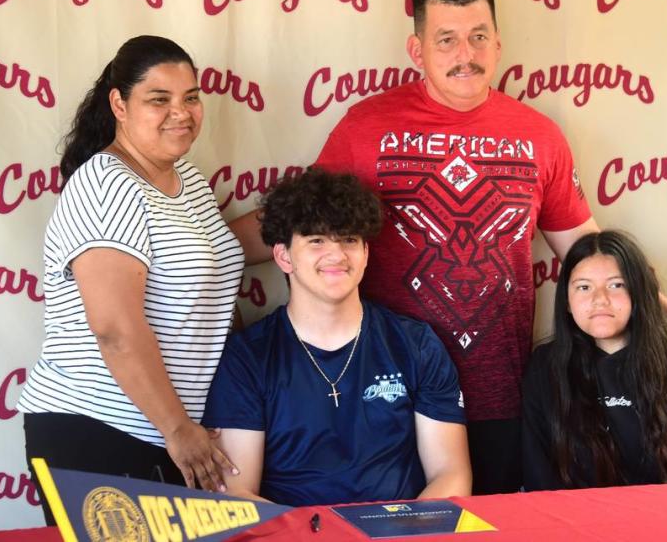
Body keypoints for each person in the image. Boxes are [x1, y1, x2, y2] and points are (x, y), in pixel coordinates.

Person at [230, 0, 667, 494]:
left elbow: (586, 249)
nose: (466, 53)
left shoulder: (540, 137)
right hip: (394, 399)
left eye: (478, 36)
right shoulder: (366, 127)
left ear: (498, 42)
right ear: (417, 50)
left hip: (500, 396)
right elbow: (303, 221)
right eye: (446, 39)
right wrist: (195, 246)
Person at [16, 36, 244, 524]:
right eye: (159, 99)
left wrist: (315, 220)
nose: (180, 113)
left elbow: (227, 250)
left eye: (191, 97)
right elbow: (115, 329)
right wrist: (179, 428)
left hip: (162, 432)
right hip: (98, 431)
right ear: (119, 104)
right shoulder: (107, 182)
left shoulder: (187, 180)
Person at [202, 169, 471, 506]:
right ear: (284, 256)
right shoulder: (246, 357)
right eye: (316, 240)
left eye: (348, 240)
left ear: (366, 253)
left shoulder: (416, 344)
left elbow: (451, 475)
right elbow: (237, 496)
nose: (337, 255)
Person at [521, 230, 667, 490]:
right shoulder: (546, 369)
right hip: (579, 525)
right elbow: (538, 478)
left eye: (616, 285)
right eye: (584, 287)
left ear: (640, 293)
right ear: (566, 301)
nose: (600, 300)